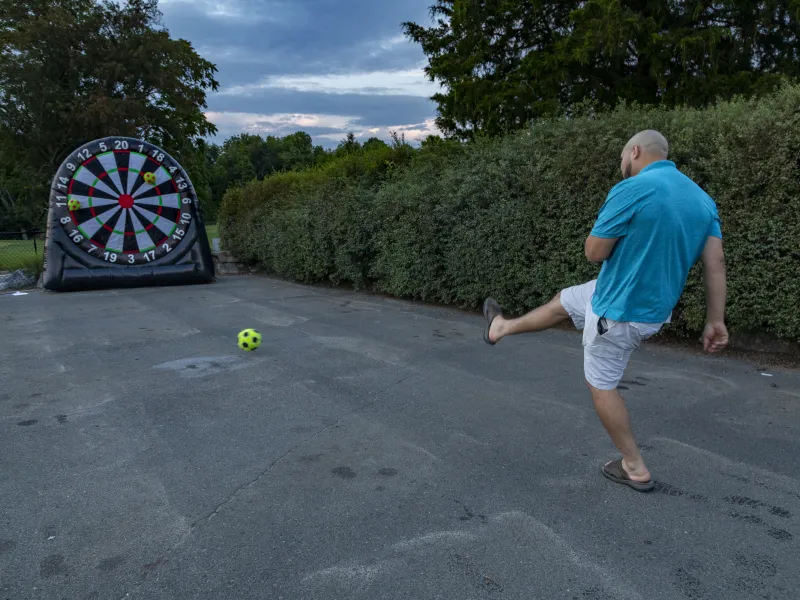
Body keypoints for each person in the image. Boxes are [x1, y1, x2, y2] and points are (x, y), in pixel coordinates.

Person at [482, 130, 729, 492]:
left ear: (635, 151)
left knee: (602, 386)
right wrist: (715, 320)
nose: (622, 167)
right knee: (565, 301)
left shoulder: (632, 189)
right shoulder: (703, 200)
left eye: (622, 160)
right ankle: (500, 328)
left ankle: (634, 466)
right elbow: (716, 263)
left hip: (618, 311)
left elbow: (594, 253)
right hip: (644, 306)